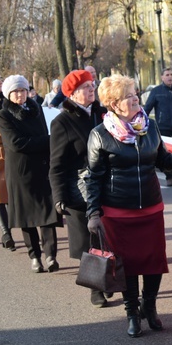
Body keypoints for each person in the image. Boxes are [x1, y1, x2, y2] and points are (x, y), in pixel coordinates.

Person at [85, 75, 172, 337]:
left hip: (151, 208)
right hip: (118, 212)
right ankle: (132, 312)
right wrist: (93, 213)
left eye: (135, 93)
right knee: (127, 265)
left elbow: (164, 162)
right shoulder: (100, 135)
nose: (136, 99)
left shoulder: (150, 127)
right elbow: (93, 178)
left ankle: (149, 307)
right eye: (129, 96)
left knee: (153, 262)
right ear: (114, 104)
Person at [49, 70, 108, 307]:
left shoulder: (102, 113)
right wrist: (59, 197)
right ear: (72, 93)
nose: (91, 89)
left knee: (109, 238)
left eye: (92, 85)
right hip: (79, 190)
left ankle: (111, 279)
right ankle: (95, 289)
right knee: (88, 242)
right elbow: (57, 164)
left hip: (106, 184)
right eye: (85, 87)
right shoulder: (62, 121)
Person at [0, 75, 60, 272]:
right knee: (27, 216)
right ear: (9, 94)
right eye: (16, 91)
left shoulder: (36, 109)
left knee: (48, 213)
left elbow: (43, 132)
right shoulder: (4, 115)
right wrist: (47, 141)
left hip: (42, 167)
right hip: (20, 171)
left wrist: (46, 142)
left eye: (23, 90)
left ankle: (51, 255)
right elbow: (16, 143)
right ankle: (35, 256)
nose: (20, 94)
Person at [144, 67, 172, 186]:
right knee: (166, 153)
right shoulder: (156, 91)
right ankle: (169, 176)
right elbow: (147, 108)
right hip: (163, 126)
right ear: (162, 77)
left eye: (171, 74)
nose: (170, 77)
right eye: (167, 75)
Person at [0, 74, 15, 250]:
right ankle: (6, 232)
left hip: (13, 155)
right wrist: (5, 135)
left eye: (0, 79)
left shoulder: (10, 103)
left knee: (12, 195)